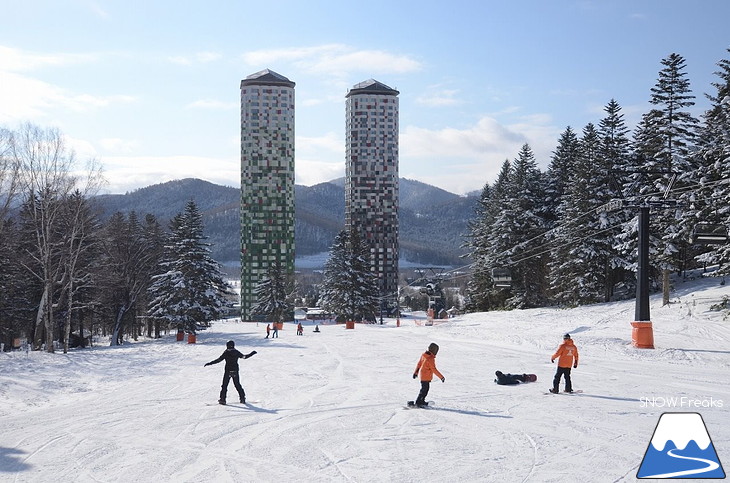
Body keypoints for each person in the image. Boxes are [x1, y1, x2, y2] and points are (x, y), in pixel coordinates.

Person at [204, 340, 257, 404]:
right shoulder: (236, 352)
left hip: (228, 371)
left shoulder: (226, 352)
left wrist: (210, 363)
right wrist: (252, 353)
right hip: (235, 371)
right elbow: (244, 357)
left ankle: (222, 399)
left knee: (224, 385)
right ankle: (242, 398)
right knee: (237, 385)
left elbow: (219, 360)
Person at [412, 342, 445, 407]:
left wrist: (416, 372)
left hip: (423, 376)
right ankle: (419, 402)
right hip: (426, 377)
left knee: (424, 389)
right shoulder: (430, 359)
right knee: (424, 390)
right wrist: (441, 377)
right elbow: (434, 369)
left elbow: (419, 364)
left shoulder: (424, 355)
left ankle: (421, 401)